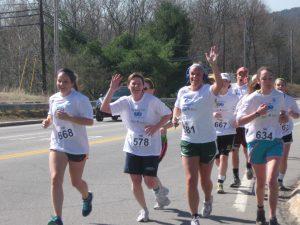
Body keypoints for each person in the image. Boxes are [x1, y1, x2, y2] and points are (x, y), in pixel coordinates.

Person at [100, 73, 172, 222]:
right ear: (128, 86)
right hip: (132, 147)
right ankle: (144, 210)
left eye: (139, 84)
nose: (136, 86)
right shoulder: (125, 101)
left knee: (149, 181)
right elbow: (105, 108)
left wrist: (156, 127)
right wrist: (112, 89)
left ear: (142, 86)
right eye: (133, 83)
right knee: (135, 180)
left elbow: (168, 114)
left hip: (151, 147)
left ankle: (159, 190)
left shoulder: (151, 101)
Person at [172, 46, 222, 225]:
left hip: (207, 141)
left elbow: (220, 84)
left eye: (199, 74)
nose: (195, 76)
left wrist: (214, 65)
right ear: (189, 75)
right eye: (192, 74)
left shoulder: (208, 91)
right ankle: (194, 216)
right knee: (191, 179)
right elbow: (177, 108)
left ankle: (208, 199)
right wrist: (175, 117)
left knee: (205, 179)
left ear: (203, 76)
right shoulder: (182, 92)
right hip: (189, 141)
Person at [236, 67, 288, 225]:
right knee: (260, 181)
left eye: (271, 78)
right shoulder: (251, 98)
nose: (268, 81)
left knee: (272, 180)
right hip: (256, 142)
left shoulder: (279, 96)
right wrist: (257, 113)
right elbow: (239, 121)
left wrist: (284, 117)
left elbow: (283, 115)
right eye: (264, 78)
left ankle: (273, 217)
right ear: (258, 81)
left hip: (275, 141)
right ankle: (260, 209)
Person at [42, 68, 94, 225]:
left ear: (72, 83)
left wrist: (69, 118)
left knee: (75, 182)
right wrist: (48, 121)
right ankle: (57, 218)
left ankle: (87, 196)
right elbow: (51, 114)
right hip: (58, 144)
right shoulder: (53, 99)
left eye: (65, 81)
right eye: (59, 81)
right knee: (55, 178)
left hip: (77, 146)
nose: (61, 84)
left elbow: (89, 121)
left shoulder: (80, 99)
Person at [143, 77, 172, 209]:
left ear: (152, 91)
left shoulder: (157, 104)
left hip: (159, 142)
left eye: (145, 89)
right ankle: (161, 192)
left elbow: (173, 119)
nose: (142, 91)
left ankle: (160, 196)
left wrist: (164, 127)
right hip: (143, 144)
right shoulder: (138, 103)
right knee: (147, 172)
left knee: (148, 172)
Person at [213, 73, 239, 194]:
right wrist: (212, 114)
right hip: (213, 132)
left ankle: (220, 183)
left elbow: (240, 112)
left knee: (224, 157)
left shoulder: (234, 98)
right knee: (217, 159)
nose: (223, 83)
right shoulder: (212, 95)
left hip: (228, 131)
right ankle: (222, 173)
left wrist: (237, 121)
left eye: (226, 81)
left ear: (229, 83)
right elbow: (204, 110)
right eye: (221, 81)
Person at [274, 78, 300, 190]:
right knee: (272, 158)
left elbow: (297, 115)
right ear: (275, 86)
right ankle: (269, 180)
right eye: (278, 85)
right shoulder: (271, 98)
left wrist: (292, 113)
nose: (280, 87)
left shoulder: (290, 100)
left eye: (282, 85)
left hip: (286, 132)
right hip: (273, 133)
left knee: (283, 158)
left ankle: (280, 181)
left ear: (286, 87)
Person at [231, 66, 253, 187]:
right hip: (234, 124)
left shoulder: (249, 88)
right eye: (240, 73)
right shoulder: (231, 87)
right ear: (236, 74)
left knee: (247, 149)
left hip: (246, 123)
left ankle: (249, 166)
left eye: (245, 73)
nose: (242, 75)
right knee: (234, 150)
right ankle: (236, 177)